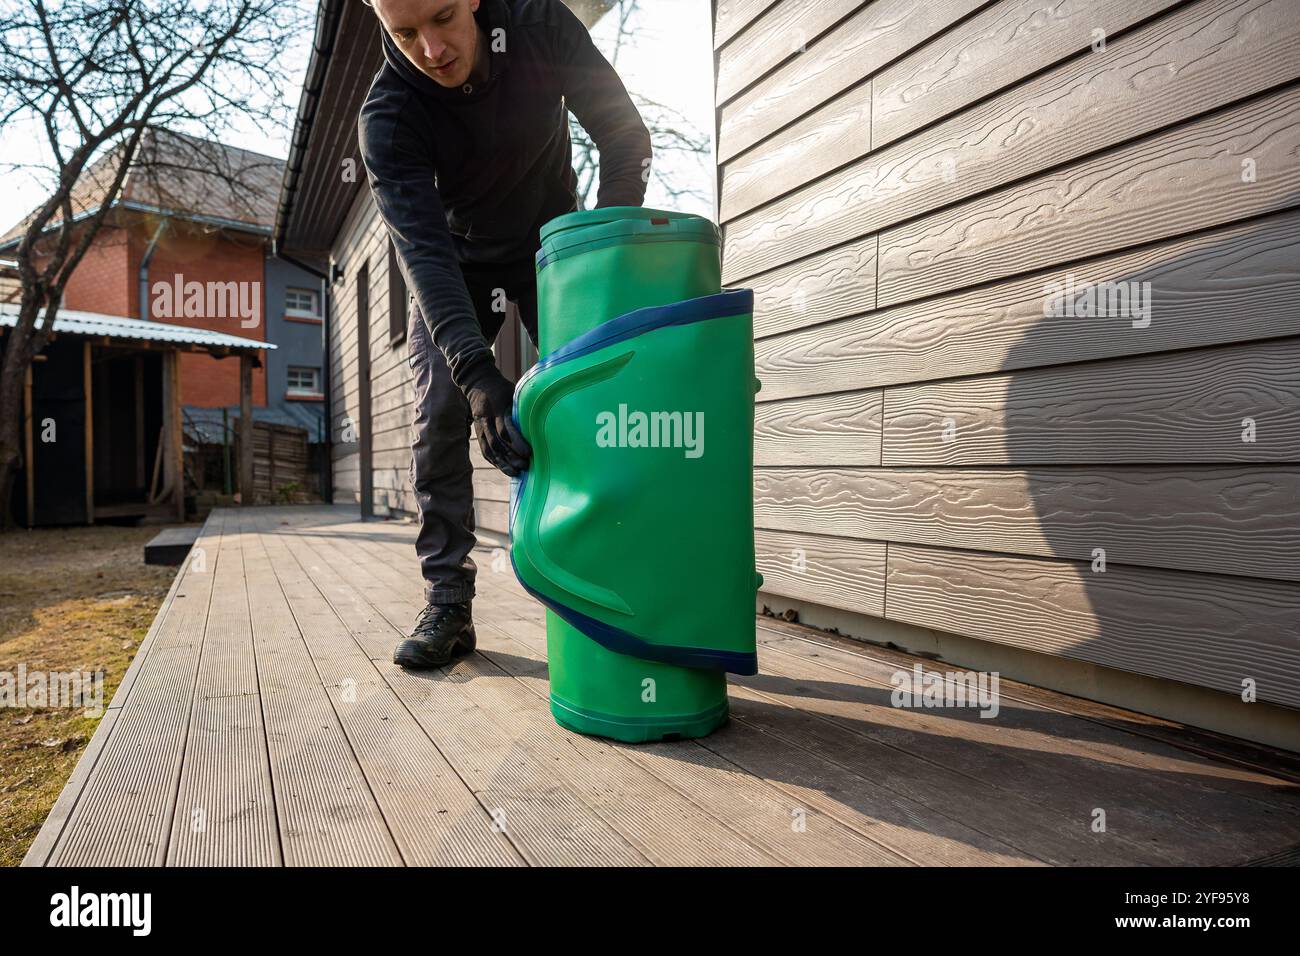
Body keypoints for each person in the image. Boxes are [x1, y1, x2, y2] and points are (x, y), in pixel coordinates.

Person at [358, 0, 652, 668]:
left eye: (441, 18)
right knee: (438, 410)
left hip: (557, 244)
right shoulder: (389, 117)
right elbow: (423, 255)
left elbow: (623, 136)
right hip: (458, 264)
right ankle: (449, 604)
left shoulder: (539, 26)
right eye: (405, 34)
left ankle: (617, 570)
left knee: (599, 396)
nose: (431, 50)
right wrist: (476, 375)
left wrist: (598, 256)